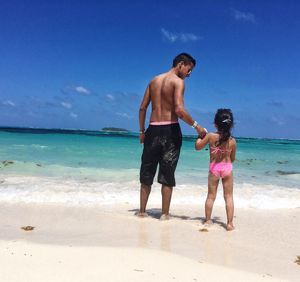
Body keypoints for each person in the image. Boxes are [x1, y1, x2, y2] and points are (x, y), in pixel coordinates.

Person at [138, 53, 207, 220]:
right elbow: (179, 110)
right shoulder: (178, 82)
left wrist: (142, 132)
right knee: (167, 174)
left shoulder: (154, 80)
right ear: (181, 64)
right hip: (170, 132)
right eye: (189, 70)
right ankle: (165, 214)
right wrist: (197, 127)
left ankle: (141, 212)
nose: (189, 74)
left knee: (147, 173)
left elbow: (142, 108)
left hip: (152, 130)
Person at [195, 108, 236, 231]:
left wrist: (199, 136)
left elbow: (197, 147)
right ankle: (229, 224)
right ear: (231, 125)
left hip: (214, 169)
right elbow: (232, 158)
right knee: (228, 197)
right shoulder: (233, 141)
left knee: (211, 196)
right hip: (227, 169)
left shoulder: (210, 136)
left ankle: (208, 220)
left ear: (215, 124)